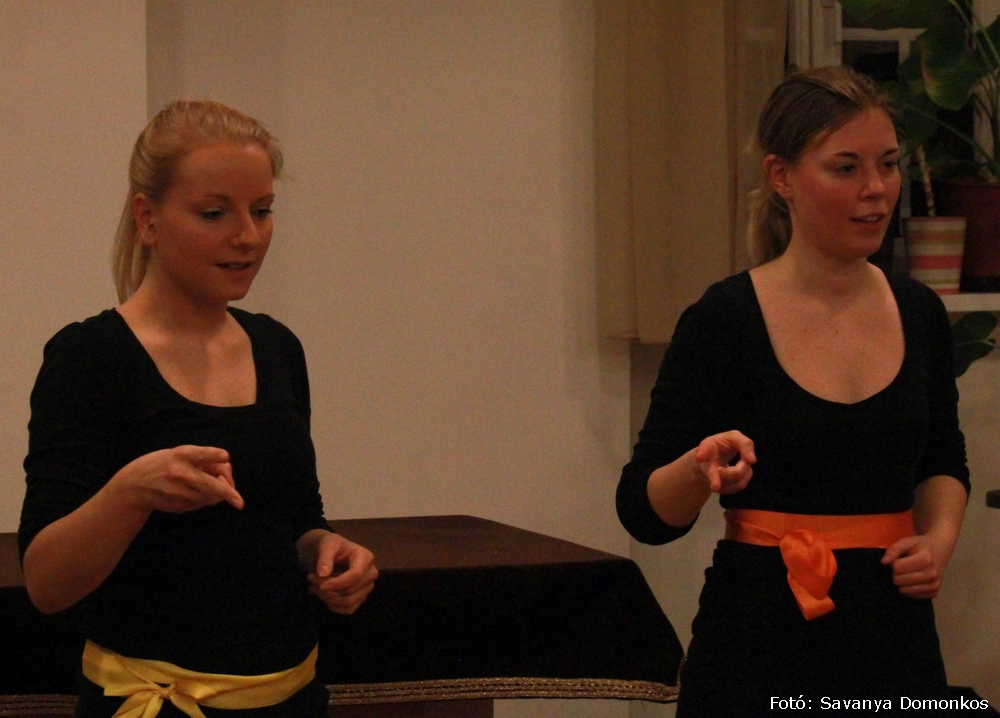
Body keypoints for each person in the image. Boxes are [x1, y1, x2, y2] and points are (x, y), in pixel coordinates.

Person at [617, 66, 969, 716]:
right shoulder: (724, 319)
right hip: (756, 648)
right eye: (846, 168)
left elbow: (943, 459)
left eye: (889, 164)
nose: (876, 189)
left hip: (894, 642)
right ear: (782, 177)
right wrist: (697, 470)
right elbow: (642, 511)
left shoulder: (920, 312)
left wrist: (939, 539)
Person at [18, 100, 379, 718]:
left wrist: (327, 552)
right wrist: (132, 491)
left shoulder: (276, 347)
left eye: (262, 210)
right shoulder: (91, 357)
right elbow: (46, 584)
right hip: (156, 704)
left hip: (292, 699)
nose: (248, 236)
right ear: (148, 218)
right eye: (214, 213)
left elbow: (293, 518)